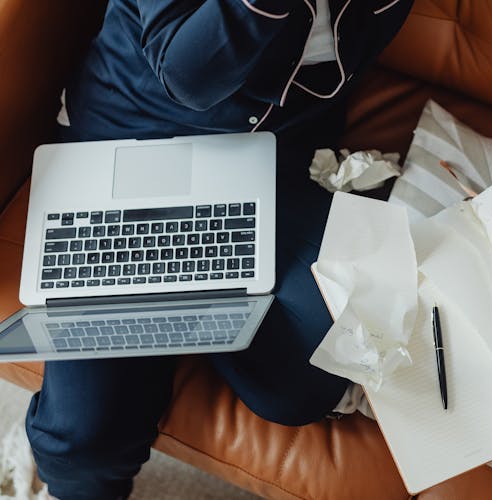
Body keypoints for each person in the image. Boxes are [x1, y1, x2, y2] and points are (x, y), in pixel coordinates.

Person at [24, 1, 413, 498]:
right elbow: (191, 76)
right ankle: (160, 312)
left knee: (302, 391)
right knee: (83, 442)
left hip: (265, 163)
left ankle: (175, 302)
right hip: (129, 141)